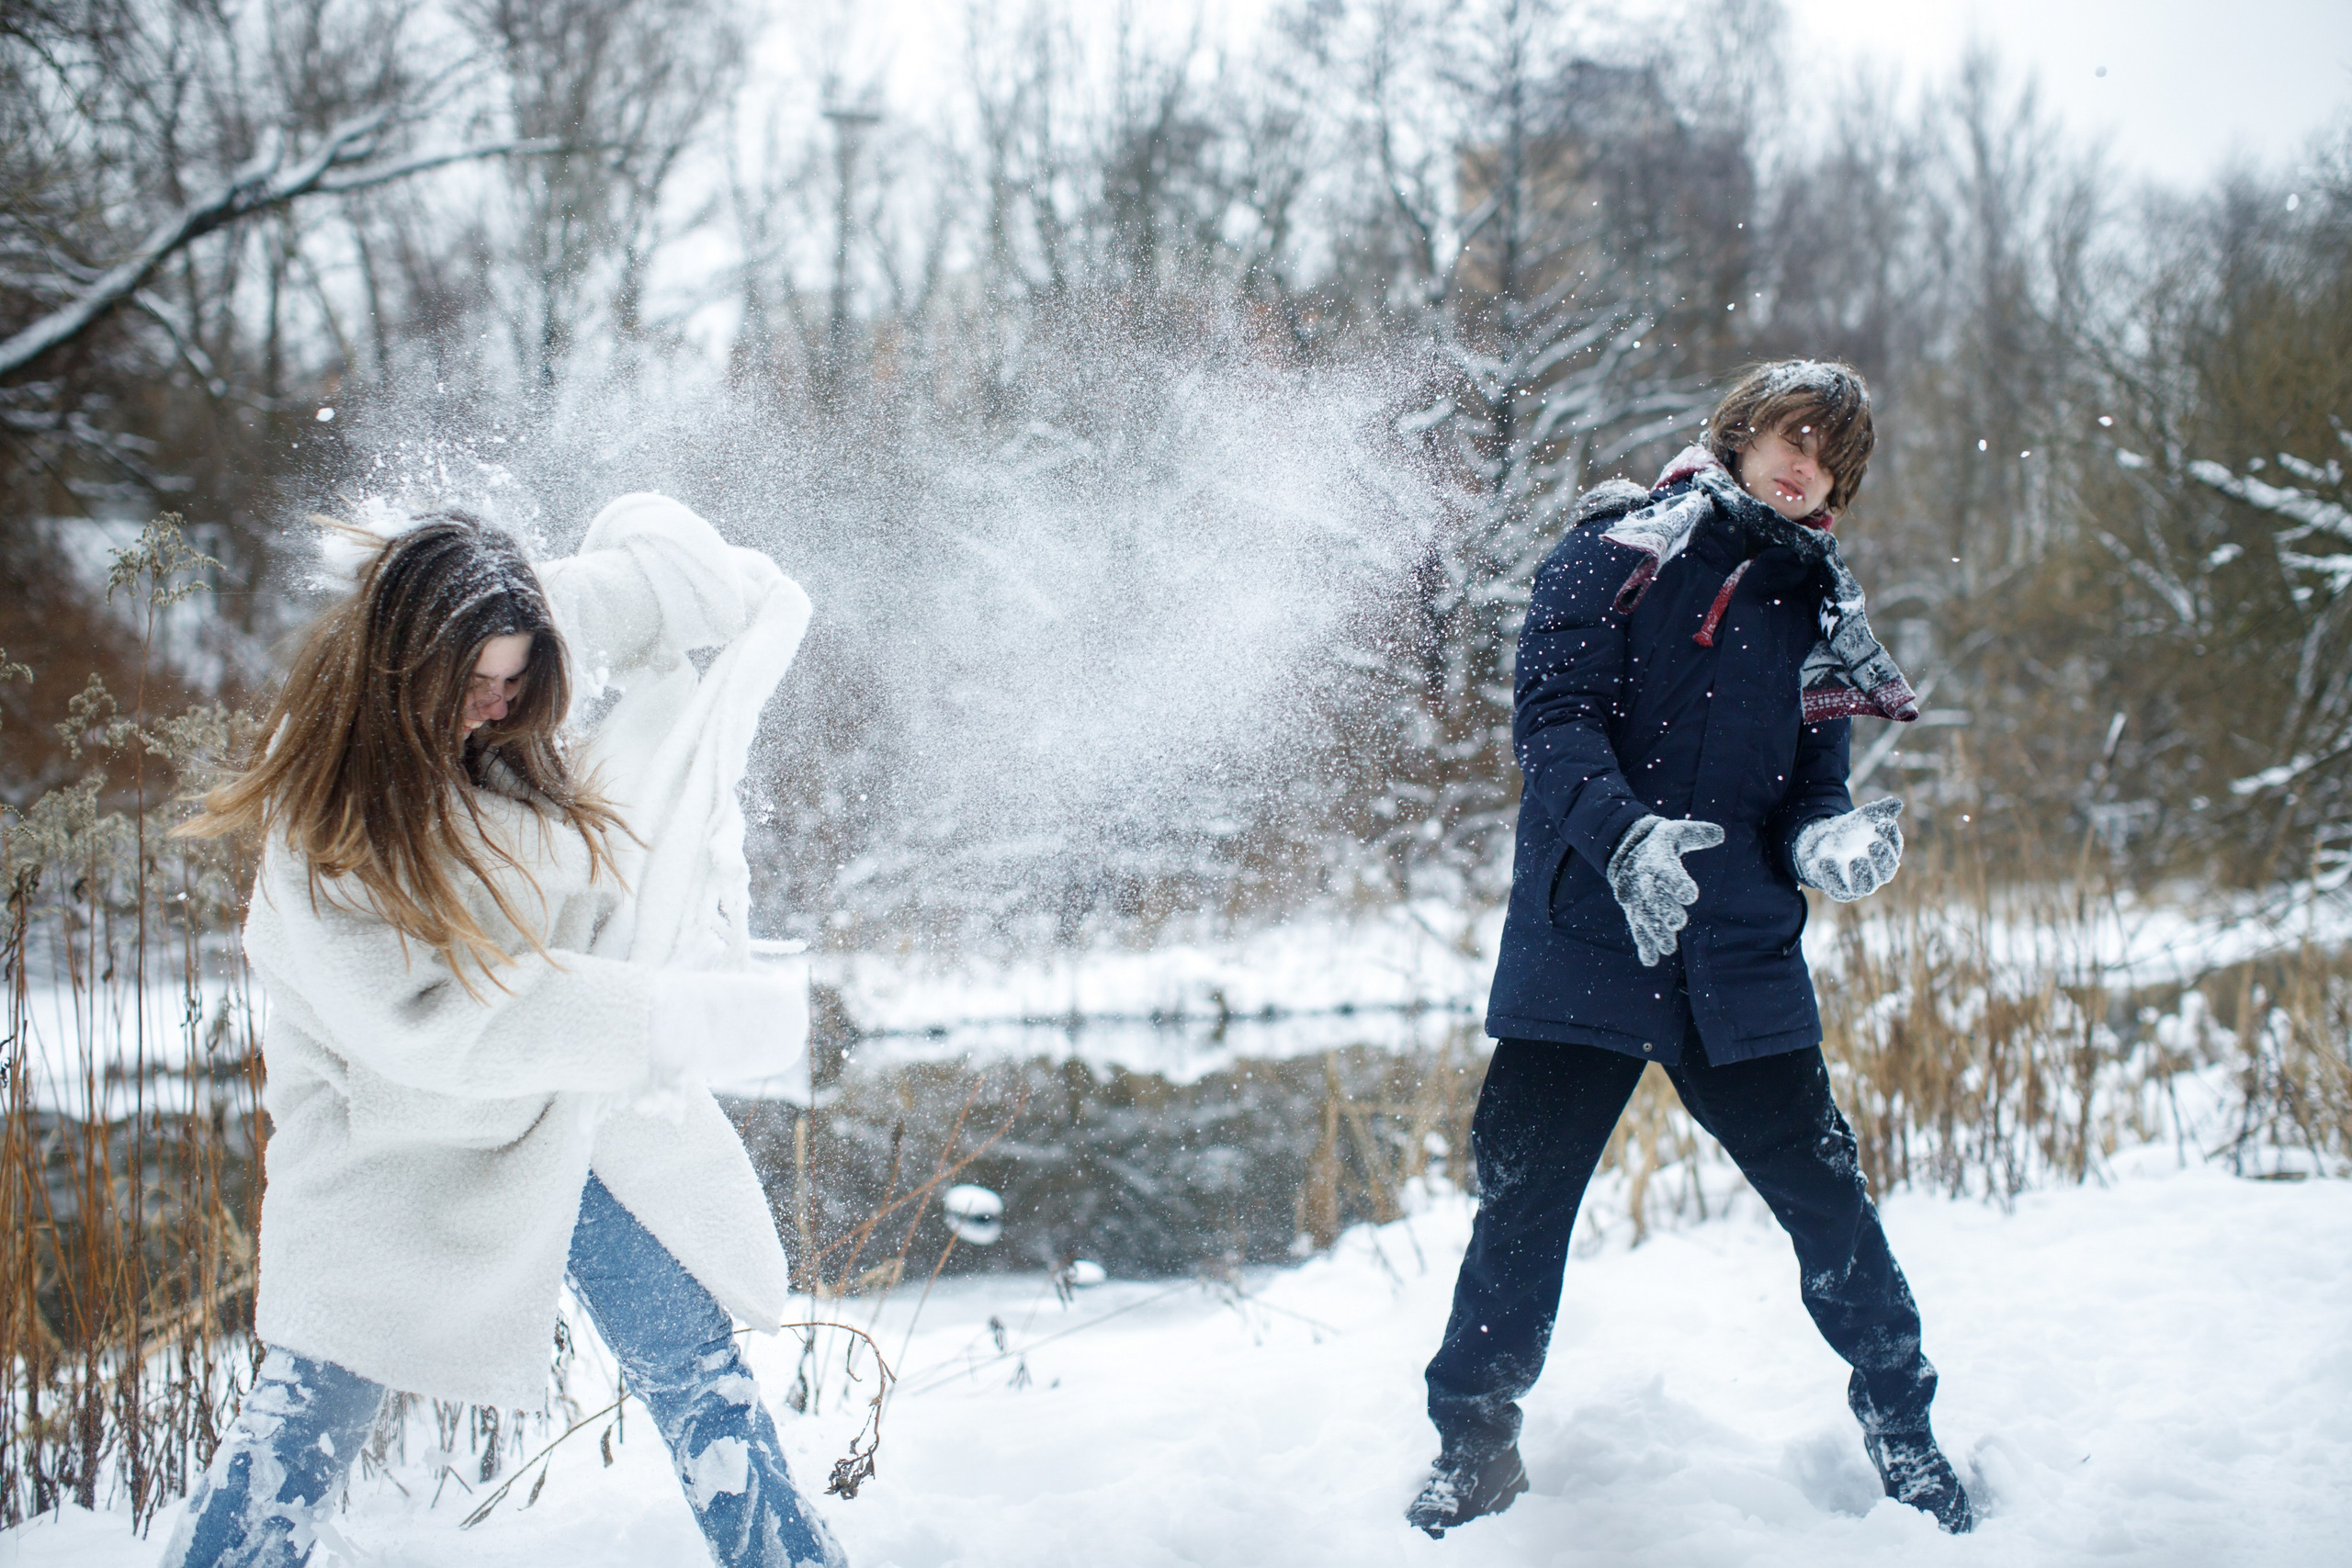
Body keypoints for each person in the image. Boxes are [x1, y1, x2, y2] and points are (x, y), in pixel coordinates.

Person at [163, 495, 843, 1568]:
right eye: (471, 686)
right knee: (298, 1437)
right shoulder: (327, 820)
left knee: (694, 1366)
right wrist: (663, 1020)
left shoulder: (520, 636)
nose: (494, 707)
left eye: (515, 682)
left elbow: (682, 583)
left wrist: (742, 600)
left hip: (567, 1123)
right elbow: (429, 1027)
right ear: (404, 668)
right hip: (390, 1152)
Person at [1408, 361, 1974, 1538]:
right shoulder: (1617, 551)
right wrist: (1626, 844)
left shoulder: (1820, 605)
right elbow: (1553, 725)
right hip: (1588, 946)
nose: (1800, 462)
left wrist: (1829, 846)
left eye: (1826, 455)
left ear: (1836, 484)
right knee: (1522, 1213)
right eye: (1786, 435)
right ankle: (1473, 1449)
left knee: (1831, 1207)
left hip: (1740, 960)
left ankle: (1905, 1434)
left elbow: (1814, 784)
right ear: (1738, 433)